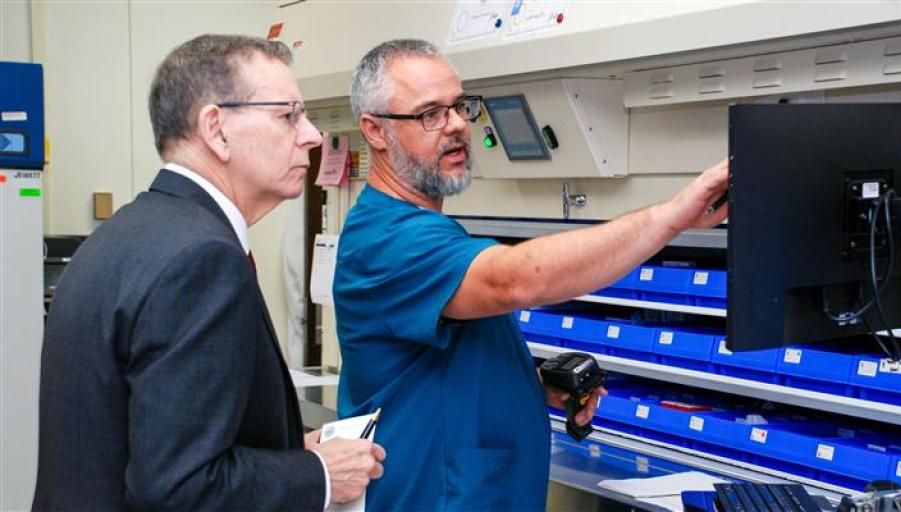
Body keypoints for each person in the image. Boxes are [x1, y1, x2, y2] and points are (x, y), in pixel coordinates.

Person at [332, 39, 728, 511]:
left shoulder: (427, 228)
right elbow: (515, 280)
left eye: (460, 106)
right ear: (375, 131)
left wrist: (530, 384)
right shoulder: (386, 239)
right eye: (430, 114)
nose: (458, 125)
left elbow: (445, 373)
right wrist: (672, 217)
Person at [33, 34, 385, 511]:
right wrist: (318, 474)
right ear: (217, 129)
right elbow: (179, 487)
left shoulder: (125, 235)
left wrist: (285, 450)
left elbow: (151, 445)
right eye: (289, 115)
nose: (313, 135)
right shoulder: (202, 261)